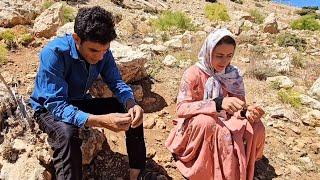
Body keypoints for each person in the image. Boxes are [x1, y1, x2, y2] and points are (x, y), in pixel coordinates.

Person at [30, 6, 152, 180]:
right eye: (94, 50)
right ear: (76, 38)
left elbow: (116, 82)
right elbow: (57, 105)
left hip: (78, 101)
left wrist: (131, 103)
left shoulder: (102, 52)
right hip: (48, 109)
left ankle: (137, 172)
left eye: (104, 50)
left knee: (131, 113)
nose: (100, 57)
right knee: (67, 135)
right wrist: (100, 121)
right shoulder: (53, 53)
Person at [165, 29, 266, 180]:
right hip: (197, 122)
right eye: (219, 56)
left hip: (226, 119)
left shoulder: (233, 74)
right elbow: (181, 108)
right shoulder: (193, 73)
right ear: (208, 51)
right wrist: (217, 104)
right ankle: (203, 170)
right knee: (208, 122)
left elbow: (239, 106)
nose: (224, 61)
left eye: (229, 56)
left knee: (256, 126)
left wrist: (247, 112)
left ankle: (244, 164)